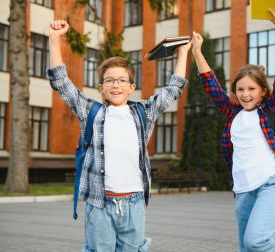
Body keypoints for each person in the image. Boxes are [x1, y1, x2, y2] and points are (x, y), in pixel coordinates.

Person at [191, 10, 275, 252]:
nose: (245, 94)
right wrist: (197, 51)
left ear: (263, 91)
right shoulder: (232, 113)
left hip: (273, 184)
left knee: (257, 240)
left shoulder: (272, 110)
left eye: (251, 89)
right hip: (244, 191)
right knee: (249, 249)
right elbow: (210, 83)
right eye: (240, 89)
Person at [47, 20, 191, 252]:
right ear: (101, 87)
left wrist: (183, 52)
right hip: (100, 204)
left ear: (131, 86)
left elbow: (173, 89)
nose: (116, 85)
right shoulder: (91, 111)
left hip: (134, 204)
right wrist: (55, 39)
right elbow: (61, 83)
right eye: (109, 80)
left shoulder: (144, 112)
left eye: (122, 80)